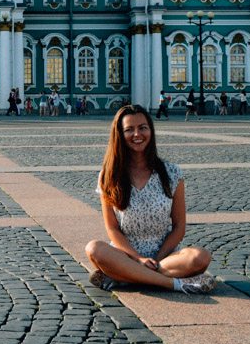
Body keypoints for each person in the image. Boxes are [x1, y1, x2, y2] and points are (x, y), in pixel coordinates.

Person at [85, 104, 216, 294]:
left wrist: (157, 260)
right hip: (125, 255)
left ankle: (127, 277)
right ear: (119, 135)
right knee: (94, 249)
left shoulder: (172, 173)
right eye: (129, 129)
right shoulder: (109, 176)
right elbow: (112, 228)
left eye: (142, 128)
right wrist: (138, 259)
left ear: (151, 131)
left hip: (166, 258)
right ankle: (174, 284)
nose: (137, 134)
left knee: (200, 257)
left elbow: (179, 227)